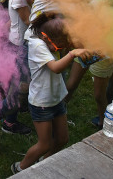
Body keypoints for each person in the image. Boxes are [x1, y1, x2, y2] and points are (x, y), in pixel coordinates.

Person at [11, 15, 90, 173]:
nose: (61, 48)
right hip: (42, 103)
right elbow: (55, 67)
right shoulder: (36, 44)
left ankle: (43, 162)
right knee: (44, 144)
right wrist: (72, 54)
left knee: (62, 139)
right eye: (60, 44)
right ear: (47, 38)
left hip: (56, 99)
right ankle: (20, 168)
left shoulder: (46, 39)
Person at [1, 0, 43, 134]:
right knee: (19, 86)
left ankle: (13, 111)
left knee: (17, 83)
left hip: (18, 45)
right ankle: (8, 122)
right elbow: (29, 22)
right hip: (20, 47)